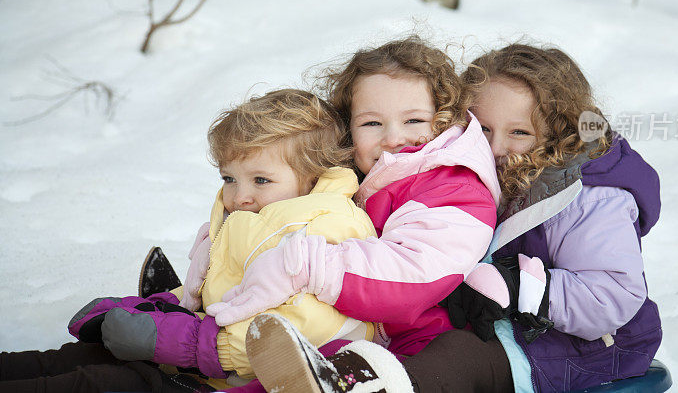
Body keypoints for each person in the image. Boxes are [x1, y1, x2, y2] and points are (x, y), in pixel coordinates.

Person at [242, 43, 662, 393]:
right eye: (485, 129)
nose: (497, 147)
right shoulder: (473, 177)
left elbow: (614, 294)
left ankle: (372, 388)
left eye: (519, 133)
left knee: (454, 359)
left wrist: (520, 286)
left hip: (582, 346)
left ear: (560, 131)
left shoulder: (589, 197)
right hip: (495, 323)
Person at [1, 89, 378, 392]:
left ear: (313, 177)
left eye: (260, 180)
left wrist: (172, 340)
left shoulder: (324, 228)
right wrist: (152, 311)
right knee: (74, 357)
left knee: (99, 383)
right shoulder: (250, 218)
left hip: (231, 382)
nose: (239, 195)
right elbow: (218, 296)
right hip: (199, 363)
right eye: (229, 178)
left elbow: (298, 334)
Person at [204, 36, 501, 393]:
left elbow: (411, 272)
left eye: (414, 120)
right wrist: (220, 247)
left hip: (416, 340)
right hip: (344, 322)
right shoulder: (354, 174)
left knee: (312, 373)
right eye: (372, 124)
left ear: (443, 121)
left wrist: (305, 265)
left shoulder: (455, 189)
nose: (393, 138)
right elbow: (282, 214)